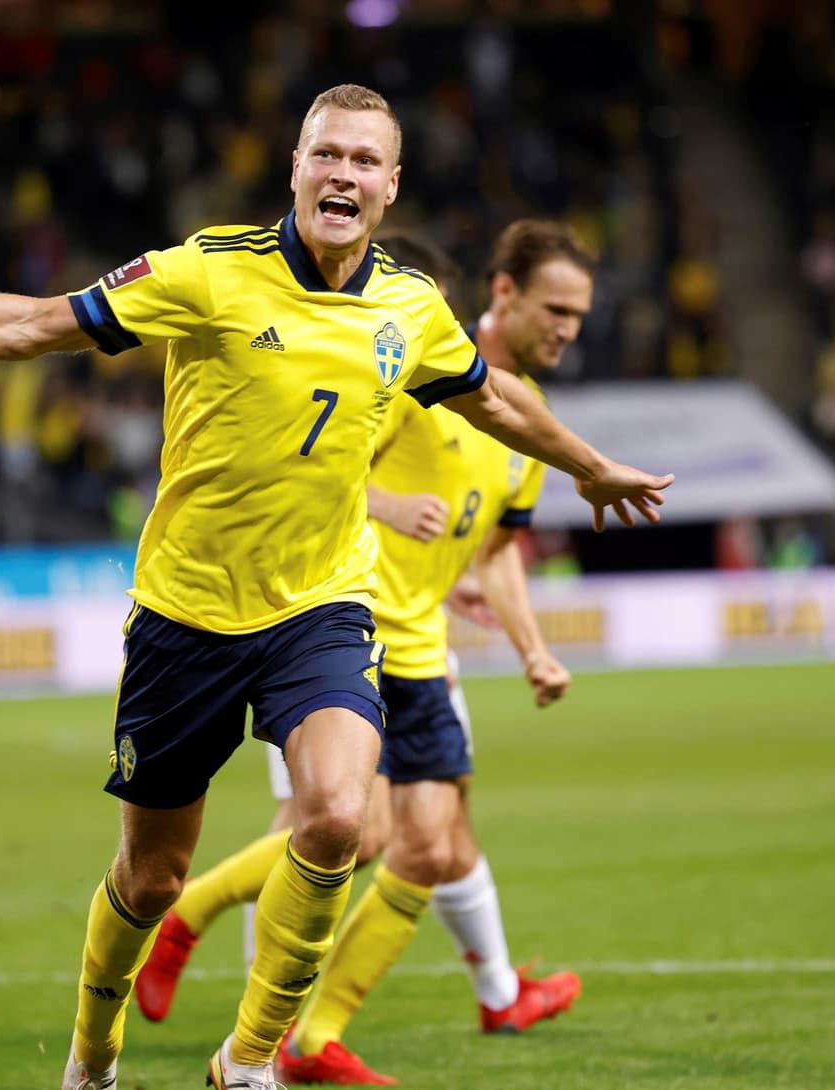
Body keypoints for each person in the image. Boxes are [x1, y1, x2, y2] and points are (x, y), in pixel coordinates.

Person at [0, 85, 671, 1090]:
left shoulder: (410, 308)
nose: (343, 174)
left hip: (319, 607)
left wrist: (588, 467)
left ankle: (250, 1061)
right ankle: (92, 1055)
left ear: (391, 185)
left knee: (335, 818)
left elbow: (491, 400)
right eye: (326, 154)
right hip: (186, 613)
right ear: (295, 167)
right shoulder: (207, 270)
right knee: (152, 877)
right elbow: (34, 323)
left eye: (364, 160)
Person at [134, 224, 592, 1084]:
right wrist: (388, 507)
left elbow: (495, 552)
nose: (569, 328)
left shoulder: (526, 424)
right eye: (556, 309)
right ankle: (249, 992)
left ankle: (321, 1030)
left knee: (428, 844)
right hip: (344, 626)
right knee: (355, 830)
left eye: (580, 315)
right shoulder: (416, 374)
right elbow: (322, 464)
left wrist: (532, 647)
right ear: (504, 294)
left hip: (425, 646)